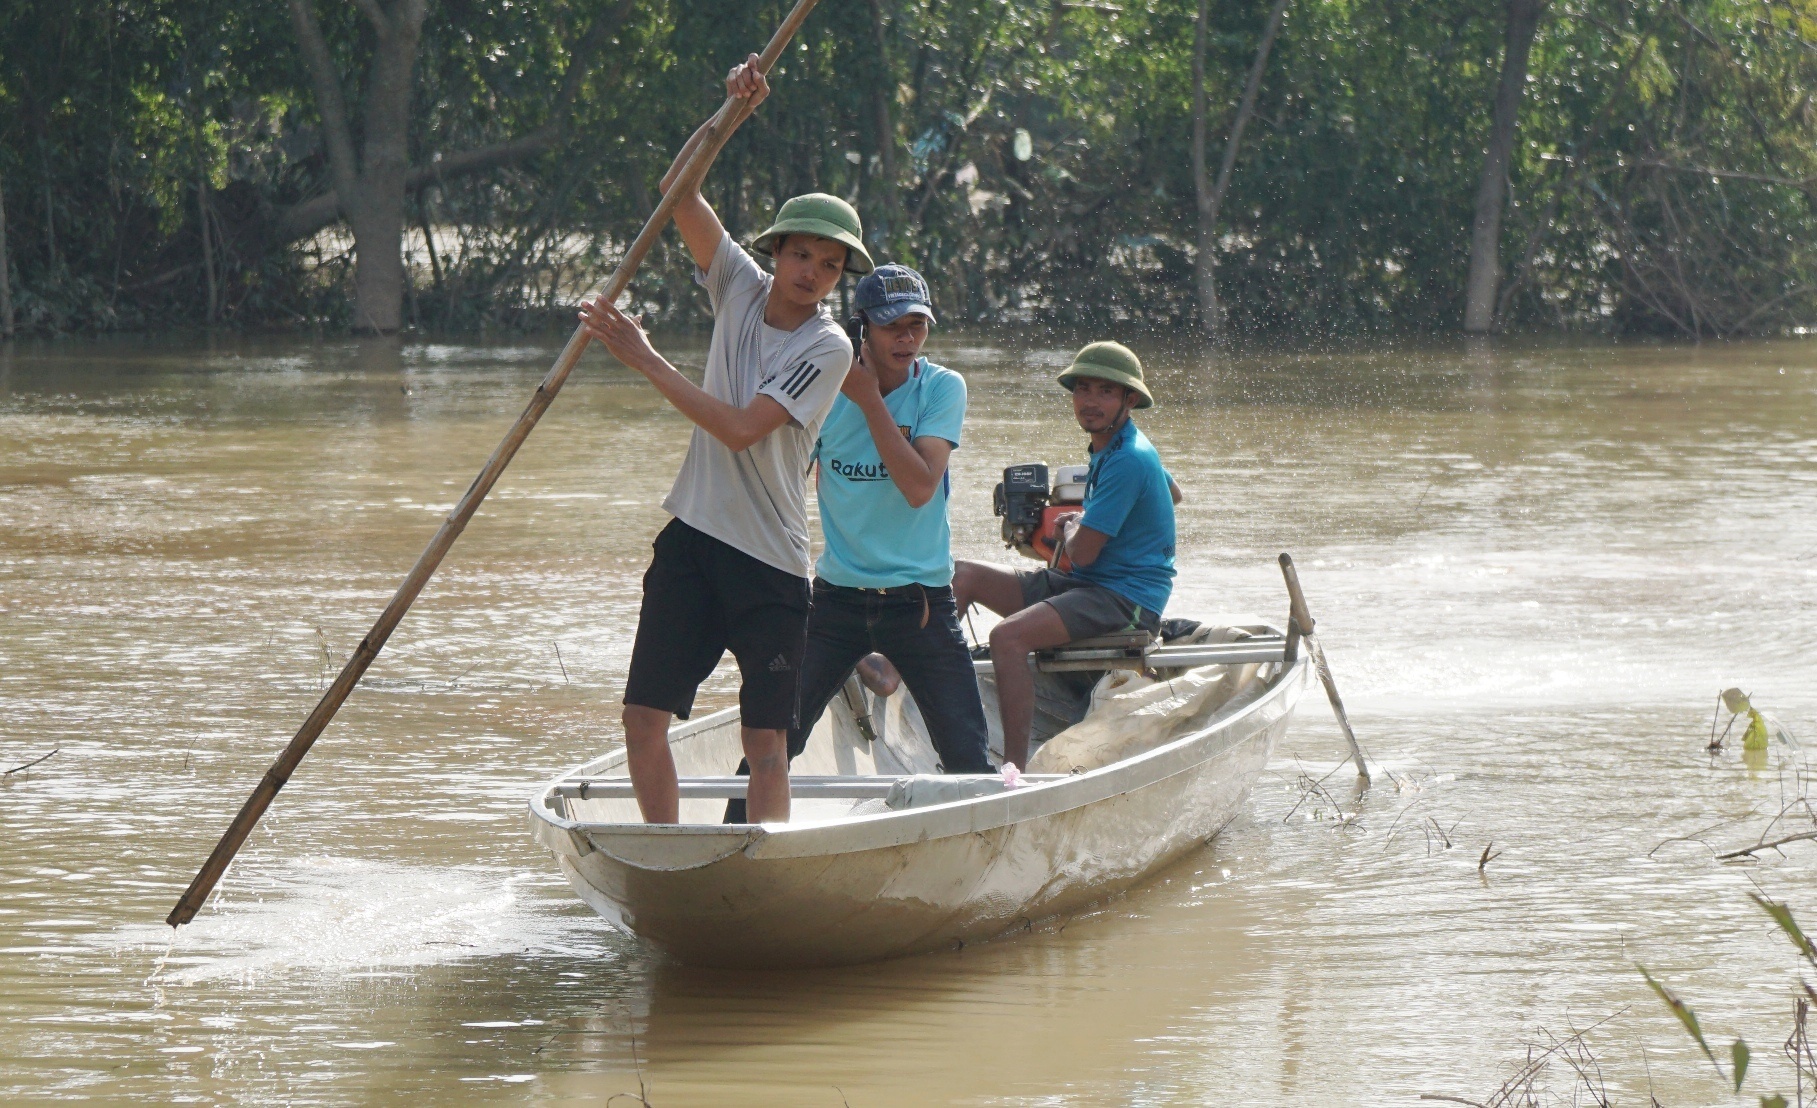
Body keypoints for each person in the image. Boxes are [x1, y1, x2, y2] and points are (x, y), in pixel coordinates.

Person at [577, 55, 873, 825]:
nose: (811, 272)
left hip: (769, 563)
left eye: (829, 264)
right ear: (776, 254)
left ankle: (759, 869)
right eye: (802, 254)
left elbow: (742, 431)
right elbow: (679, 193)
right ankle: (667, 854)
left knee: (765, 739)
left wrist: (642, 357)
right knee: (644, 719)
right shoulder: (739, 284)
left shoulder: (828, 347)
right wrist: (730, 111)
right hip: (693, 542)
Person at [723, 266, 991, 820]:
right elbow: (777, 477)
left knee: (967, 756)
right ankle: (730, 851)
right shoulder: (823, 383)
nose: (906, 339)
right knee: (773, 745)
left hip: (920, 602)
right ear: (862, 327)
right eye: (892, 325)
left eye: (918, 325)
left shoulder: (942, 387)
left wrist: (869, 400)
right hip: (836, 601)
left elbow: (920, 487)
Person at [952, 341, 1180, 770]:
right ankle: (934, 688)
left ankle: (1013, 770)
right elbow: (1174, 492)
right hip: (1089, 586)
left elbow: (1085, 553)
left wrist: (1075, 524)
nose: (1090, 402)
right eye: (1083, 389)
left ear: (1129, 400)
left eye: (1105, 392)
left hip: (1126, 599)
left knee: (1008, 637)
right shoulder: (1114, 444)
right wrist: (1093, 515)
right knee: (963, 576)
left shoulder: (1129, 458)